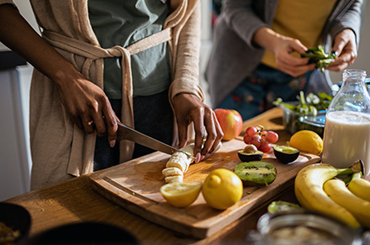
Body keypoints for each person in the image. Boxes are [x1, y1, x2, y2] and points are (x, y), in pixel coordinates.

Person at [0, 0, 223, 190]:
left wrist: (185, 85)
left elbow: (189, 9)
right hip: (72, 107)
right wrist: (66, 77)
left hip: (163, 104)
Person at [205, 0, 363, 120]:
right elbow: (234, 7)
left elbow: (351, 6)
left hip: (302, 76)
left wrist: (347, 30)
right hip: (241, 70)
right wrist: (273, 42)